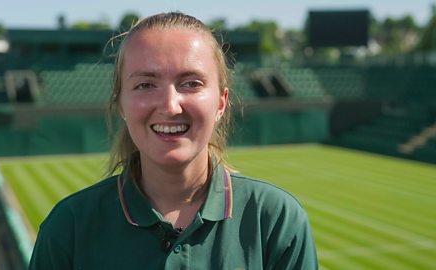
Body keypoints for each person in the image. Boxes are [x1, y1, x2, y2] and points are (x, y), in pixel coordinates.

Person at [29, 12, 318, 269]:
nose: (169, 105)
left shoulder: (275, 220)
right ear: (120, 104)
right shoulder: (69, 227)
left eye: (191, 83)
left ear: (221, 102)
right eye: (145, 84)